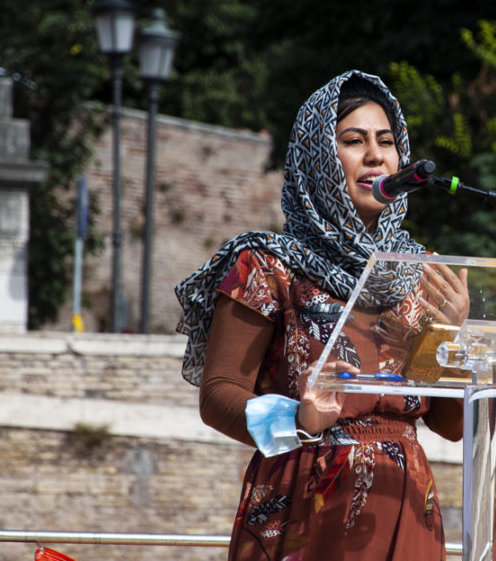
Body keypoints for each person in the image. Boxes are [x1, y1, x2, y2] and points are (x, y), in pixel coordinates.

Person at [174, 71, 468, 560]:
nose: (376, 155)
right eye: (354, 141)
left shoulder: (420, 273)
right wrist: (297, 418)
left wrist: (452, 341)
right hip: (305, 500)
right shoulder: (267, 265)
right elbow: (218, 394)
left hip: (405, 503)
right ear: (319, 159)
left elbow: (449, 424)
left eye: (388, 142)